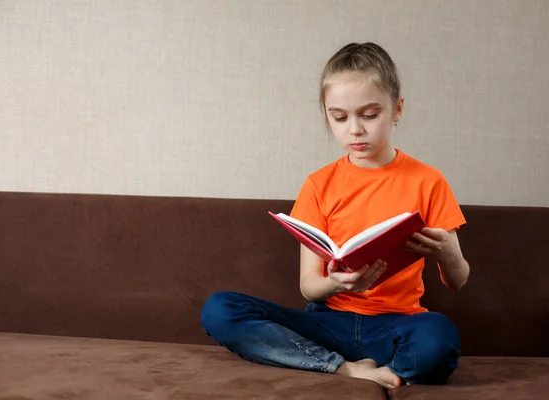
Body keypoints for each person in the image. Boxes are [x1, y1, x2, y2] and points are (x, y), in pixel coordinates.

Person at [200, 42, 470, 389]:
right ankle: (347, 369)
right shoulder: (318, 184)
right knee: (220, 309)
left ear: (397, 109)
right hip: (329, 325)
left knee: (439, 339)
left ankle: (334, 363)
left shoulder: (428, 180)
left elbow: (458, 279)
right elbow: (309, 287)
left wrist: (448, 254)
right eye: (339, 117)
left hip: (395, 325)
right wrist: (336, 283)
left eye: (370, 115)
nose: (354, 129)